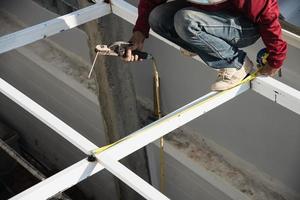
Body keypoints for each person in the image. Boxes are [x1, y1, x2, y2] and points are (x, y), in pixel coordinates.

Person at [125, 0, 287, 91]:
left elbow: (267, 13)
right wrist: (139, 32)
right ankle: (198, 42)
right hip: (208, 13)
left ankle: (236, 63)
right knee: (157, 17)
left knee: (185, 20)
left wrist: (276, 59)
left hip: (246, 25)